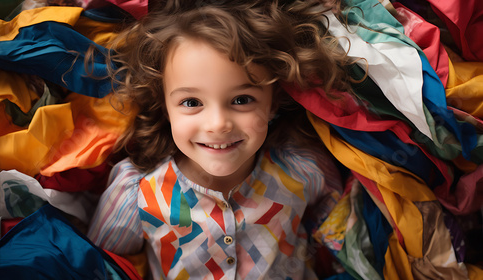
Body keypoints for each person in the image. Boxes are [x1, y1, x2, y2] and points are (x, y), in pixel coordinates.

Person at [87, 0, 351, 278]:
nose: (217, 124)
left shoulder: (304, 169)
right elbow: (100, 268)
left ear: (273, 103)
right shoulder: (135, 193)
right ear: (164, 105)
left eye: (241, 99)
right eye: (191, 102)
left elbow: (337, 233)